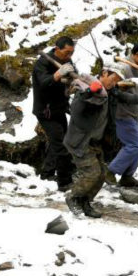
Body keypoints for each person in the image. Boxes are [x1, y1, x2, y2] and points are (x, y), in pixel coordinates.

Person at [64, 62, 138, 218]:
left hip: (95, 141)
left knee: (101, 175)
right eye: (113, 77)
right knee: (91, 173)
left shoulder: (111, 91)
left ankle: (85, 202)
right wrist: (90, 92)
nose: (114, 82)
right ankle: (73, 197)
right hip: (80, 141)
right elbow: (76, 109)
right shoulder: (85, 87)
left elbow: (129, 98)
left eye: (117, 79)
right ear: (104, 73)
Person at [32, 36, 77, 191]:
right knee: (61, 146)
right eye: (66, 53)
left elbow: (72, 77)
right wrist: (58, 74)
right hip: (45, 111)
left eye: (72, 53)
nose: (69, 56)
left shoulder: (68, 61)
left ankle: (47, 172)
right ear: (57, 49)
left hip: (59, 108)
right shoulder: (42, 62)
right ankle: (65, 182)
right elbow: (43, 83)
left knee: (61, 141)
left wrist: (73, 85)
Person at [108, 42, 138, 188]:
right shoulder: (125, 68)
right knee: (134, 145)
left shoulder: (137, 68)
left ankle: (127, 176)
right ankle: (110, 171)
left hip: (132, 112)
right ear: (137, 55)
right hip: (123, 113)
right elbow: (116, 91)